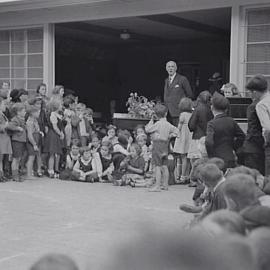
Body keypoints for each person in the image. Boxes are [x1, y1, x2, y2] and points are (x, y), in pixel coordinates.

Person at [205, 93, 245, 168]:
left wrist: (210, 155)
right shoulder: (231, 121)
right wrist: (234, 146)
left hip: (216, 159)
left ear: (212, 107)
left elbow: (208, 142)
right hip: (230, 157)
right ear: (226, 109)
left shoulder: (211, 124)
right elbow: (242, 136)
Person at [145, 104, 178, 192]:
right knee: (164, 165)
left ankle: (157, 186)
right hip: (165, 145)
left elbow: (148, 129)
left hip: (157, 145)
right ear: (166, 114)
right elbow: (177, 131)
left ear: (156, 115)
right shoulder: (168, 124)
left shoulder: (158, 124)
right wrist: (170, 136)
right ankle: (165, 185)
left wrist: (151, 120)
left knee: (157, 166)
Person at [246, 75, 270, 176]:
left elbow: (268, 128)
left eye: (250, 92)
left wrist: (266, 142)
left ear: (254, 92)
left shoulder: (260, 105)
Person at [243, 87, 265, 175]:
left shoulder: (255, 106)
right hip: (256, 147)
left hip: (253, 147)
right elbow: (254, 130)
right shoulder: (256, 106)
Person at [163, 61, 193, 126]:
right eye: (169, 67)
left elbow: (190, 95)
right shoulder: (166, 80)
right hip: (168, 113)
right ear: (166, 68)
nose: (170, 68)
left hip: (178, 113)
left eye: (172, 66)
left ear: (176, 68)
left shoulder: (182, 79)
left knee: (178, 133)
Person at [173, 97, 193, 184]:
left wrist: (175, 134)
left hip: (183, 137)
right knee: (188, 158)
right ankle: (187, 175)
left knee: (182, 157)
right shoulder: (192, 114)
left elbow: (179, 127)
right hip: (190, 136)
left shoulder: (182, 115)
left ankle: (181, 175)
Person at [44, 100, 65, 178]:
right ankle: (50, 169)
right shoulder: (53, 114)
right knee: (52, 153)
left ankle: (55, 169)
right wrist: (60, 133)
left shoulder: (58, 114)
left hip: (56, 134)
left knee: (57, 153)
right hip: (53, 134)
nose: (61, 106)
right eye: (60, 105)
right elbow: (55, 127)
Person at [6, 103, 27, 182]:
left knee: (19, 159)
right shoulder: (15, 119)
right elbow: (9, 126)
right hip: (17, 141)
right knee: (16, 158)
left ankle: (17, 174)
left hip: (21, 141)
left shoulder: (22, 119)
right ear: (18, 112)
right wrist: (17, 128)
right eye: (23, 111)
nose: (25, 112)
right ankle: (14, 175)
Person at [26, 105, 43, 179]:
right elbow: (30, 135)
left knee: (33, 157)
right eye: (37, 112)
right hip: (32, 141)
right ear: (32, 113)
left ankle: (30, 174)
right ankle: (29, 175)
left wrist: (40, 132)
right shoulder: (30, 122)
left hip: (36, 139)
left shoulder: (35, 120)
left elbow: (36, 130)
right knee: (31, 157)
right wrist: (34, 144)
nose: (39, 113)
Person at [0, 97, 12, 182]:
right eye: (3, 104)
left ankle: (2, 173)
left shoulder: (2, 114)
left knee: (3, 157)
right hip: (1, 138)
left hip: (5, 138)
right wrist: (6, 126)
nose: (5, 106)